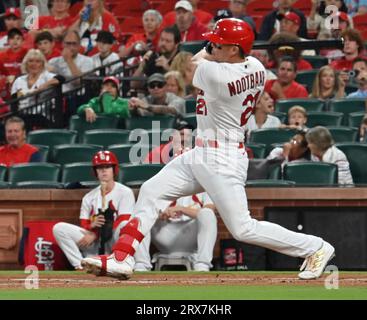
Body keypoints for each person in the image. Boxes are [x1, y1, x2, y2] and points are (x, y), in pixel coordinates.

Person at [81, 18, 335, 281]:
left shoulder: (215, 75)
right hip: (202, 151)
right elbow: (216, 56)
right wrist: (219, 46)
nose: (214, 43)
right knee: (151, 190)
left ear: (234, 49)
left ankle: (316, 247)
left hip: (222, 158)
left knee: (243, 229)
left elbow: (193, 63)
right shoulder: (257, 67)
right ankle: (122, 257)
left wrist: (208, 48)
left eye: (220, 42)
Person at [53, 150, 136, 270]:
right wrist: (92, 226)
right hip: (93, 243)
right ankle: (80, 265)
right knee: (59, 228)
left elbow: (124, 220)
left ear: (114, 170)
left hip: (114, 240)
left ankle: (120, 260)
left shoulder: (125, 192)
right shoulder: (89, 197)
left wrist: (97, 233)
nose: (103, 170)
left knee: (125, 225)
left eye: (107, 167)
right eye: (100, 168)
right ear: (95, 172)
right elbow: (83, 224)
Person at [134, 192, 217, 272]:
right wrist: (160, 213)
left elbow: (210, 210)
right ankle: (141, 264)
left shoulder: (204, 187)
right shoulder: (162, 185)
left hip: (191, 234)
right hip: (164, 233)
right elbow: (148, 210)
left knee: (207, 213)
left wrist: (182, 209)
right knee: (141, 215)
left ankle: (202, 265)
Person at [0, 28, 28, 97]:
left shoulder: (28, 54)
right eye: (12, 38)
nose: (15, 41)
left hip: (23, 87)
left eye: (18, 38)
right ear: (8, 41)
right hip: (6, 88)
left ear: (23, 41)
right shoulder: (1, 56)